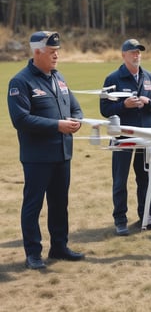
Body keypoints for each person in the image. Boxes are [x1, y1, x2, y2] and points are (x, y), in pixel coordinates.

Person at [7, 31, 85, 270]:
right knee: (33, 205)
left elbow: (75, 107)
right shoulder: (20, 82)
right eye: (52, 52)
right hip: (37, 157)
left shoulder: (58, 77)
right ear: (37, 52)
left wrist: (77, 121)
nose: (56, 55)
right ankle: (33, 253)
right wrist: (57, 125)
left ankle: (59, 247)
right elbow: (21, 120)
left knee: (60, 203)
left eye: (57, 51)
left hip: (62, 154)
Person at [100, 38, 151, 236]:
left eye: (139, 52)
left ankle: (148, 216)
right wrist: (123, 106)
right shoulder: (112, 78)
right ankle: (120, 220)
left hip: (147, 138)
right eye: (132, 52)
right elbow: (104, 109)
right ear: (123, 55)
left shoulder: (150, 78)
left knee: (147, 178)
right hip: (123, 137)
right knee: (120, 180)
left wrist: (149, 102)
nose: (136, 55)